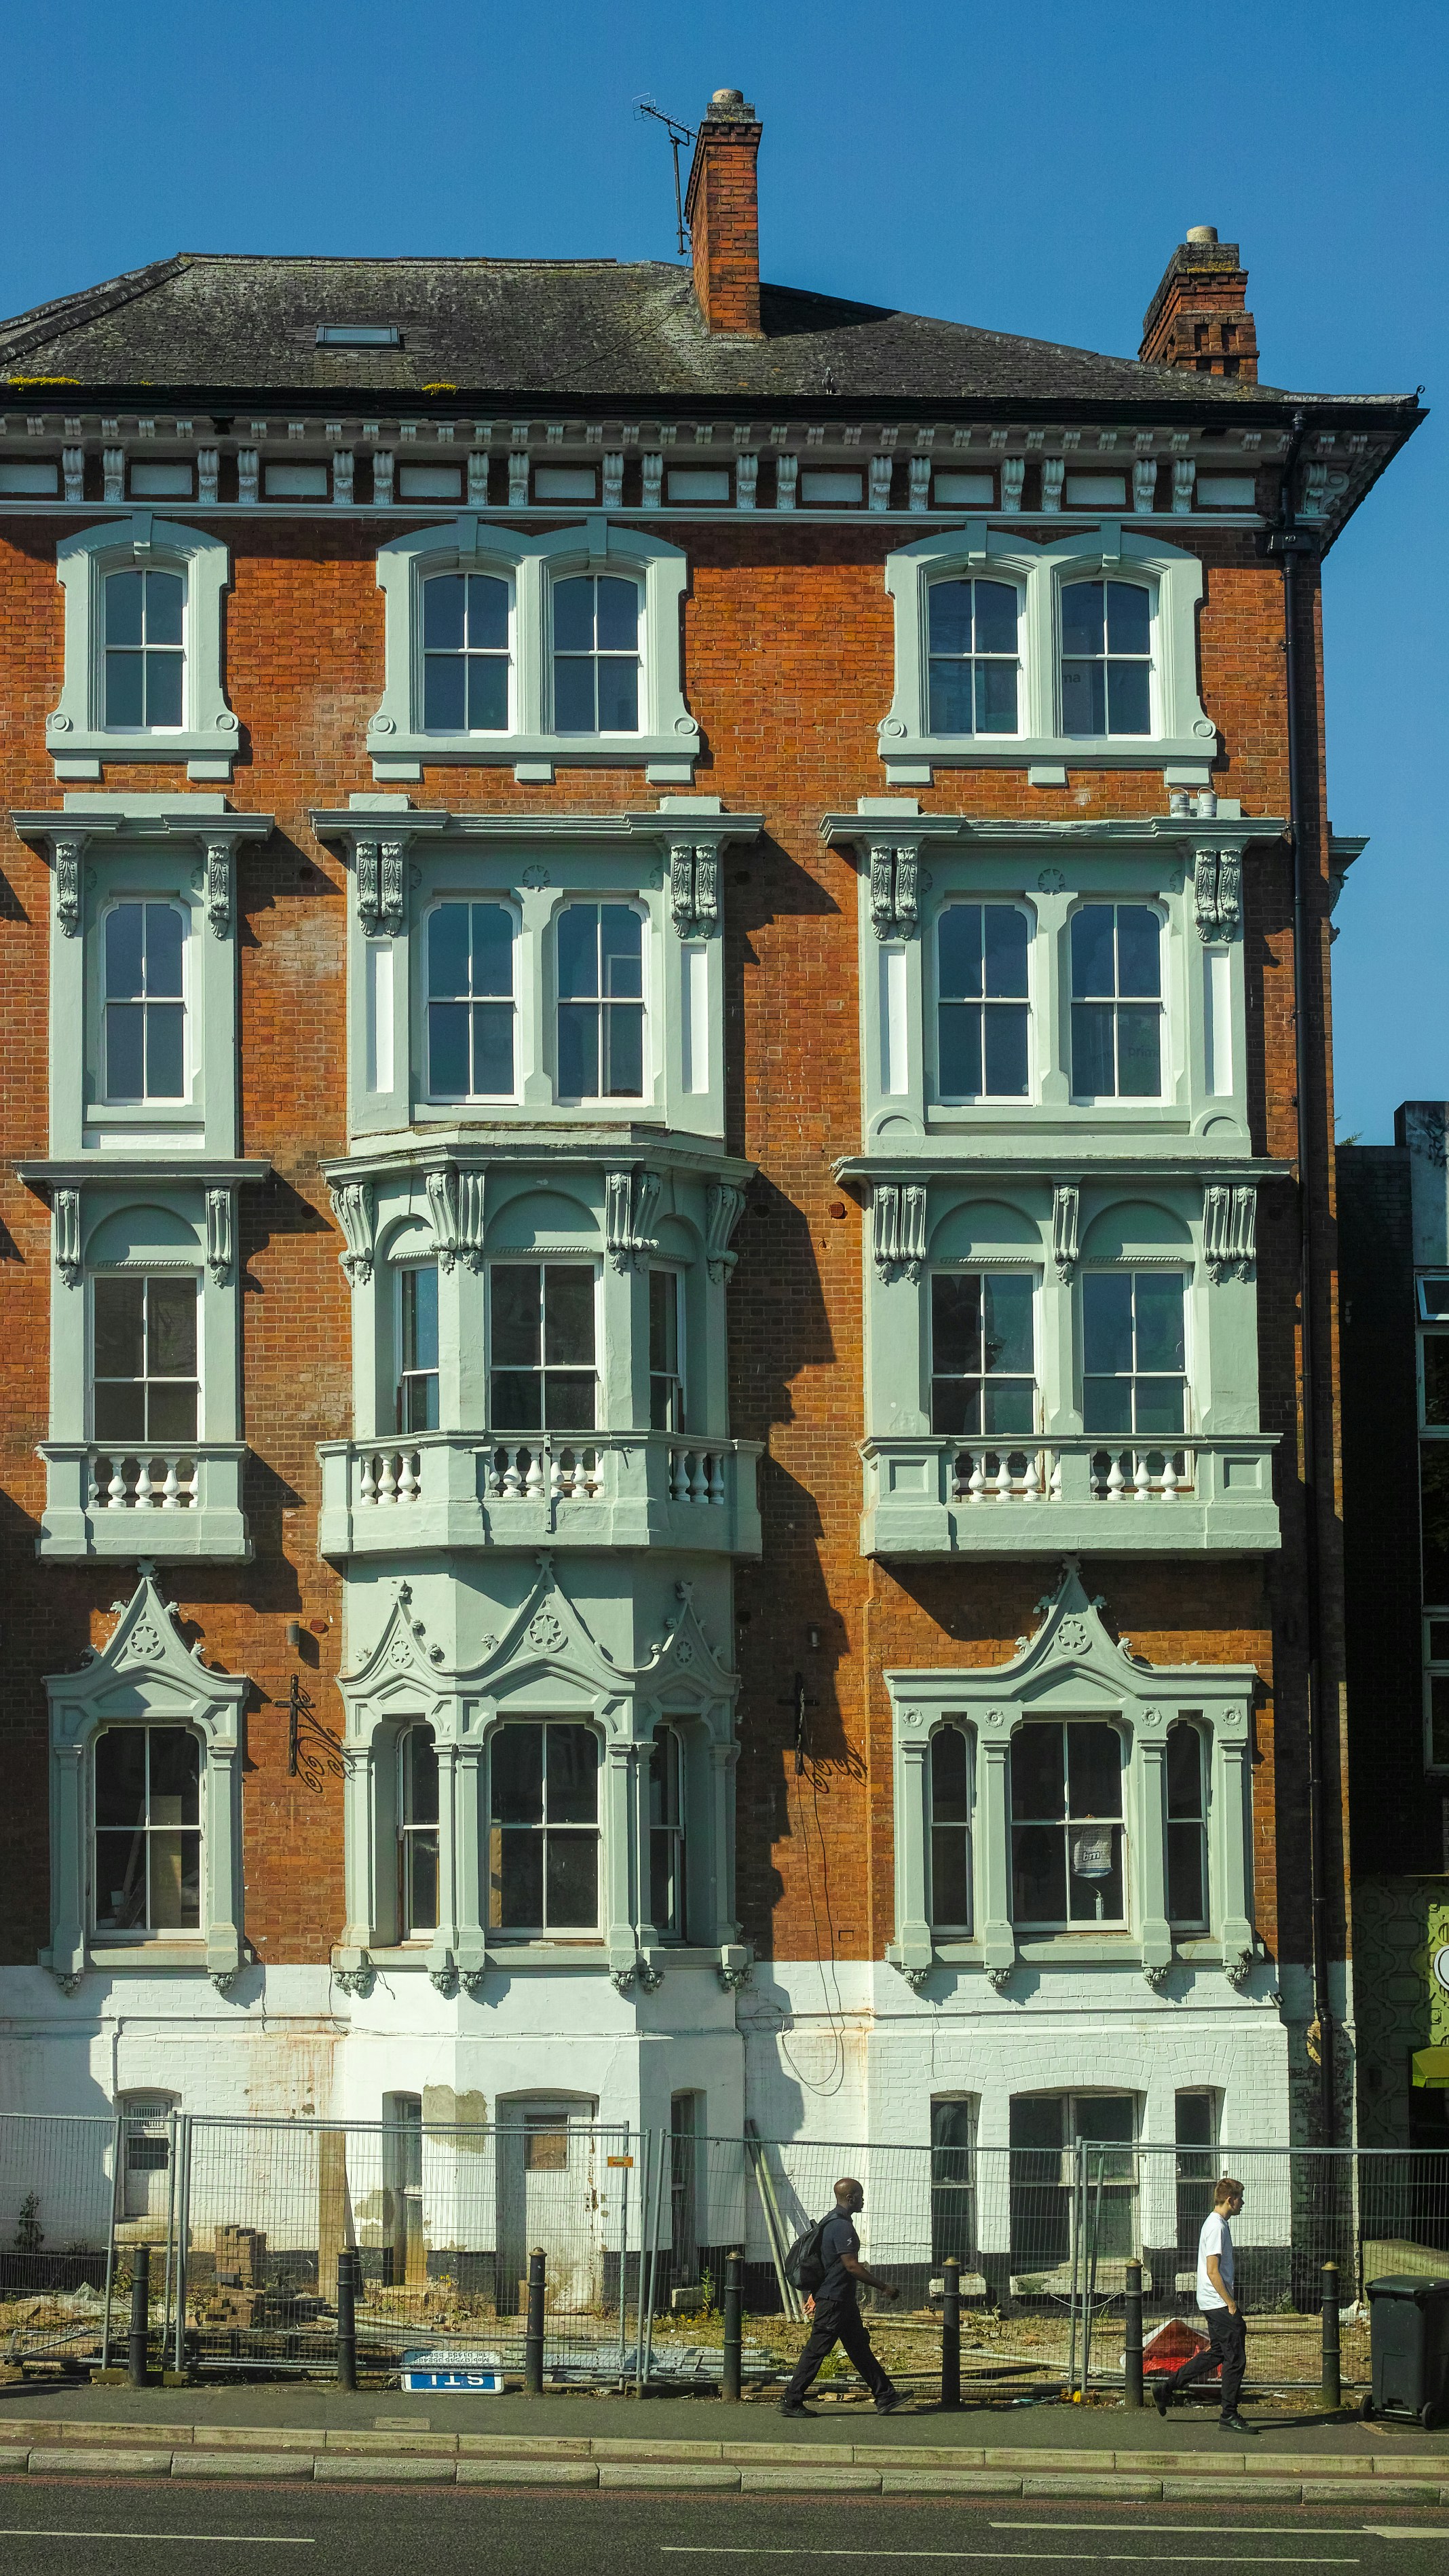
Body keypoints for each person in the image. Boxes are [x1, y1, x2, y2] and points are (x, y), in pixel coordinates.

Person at [780, 2176, 908, 2417]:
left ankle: (886, 2396)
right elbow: (852, 2266)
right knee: (816, 2350)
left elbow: (824, 2264)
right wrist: (883, 2287)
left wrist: (814, 2294)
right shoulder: (841, 2226)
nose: (862, 2200)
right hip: (835, 2301)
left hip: (840, 2300)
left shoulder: (830, 2222)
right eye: (859, 2196)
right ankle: (791, 2400)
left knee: (859, 2348)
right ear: (850, 2198)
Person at [1156, 2174, 1253, 2433]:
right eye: (1240, 2199)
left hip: (1212, 2300)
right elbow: (1213, 2271)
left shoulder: (1217, 2223)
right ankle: (1228, 2415)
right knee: (1236, 2359)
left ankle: (1167, 2387)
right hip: (1217, 2301)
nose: (1242, 2203)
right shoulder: (1217, 2227)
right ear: (1230, 2200)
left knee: (1218, 2353)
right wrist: (1230, 2304)